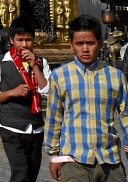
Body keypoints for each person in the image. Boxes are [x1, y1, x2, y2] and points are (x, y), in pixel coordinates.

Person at [45, 15, 128, 181]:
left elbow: (126, 115)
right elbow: (54, 118)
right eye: (79, 44)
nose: (85, 49)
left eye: (90, 43)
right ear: (71, 44)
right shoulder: (60, 76)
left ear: (100, 42)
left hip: (109, 159)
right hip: (74, 160)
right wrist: (53, 156)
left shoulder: (115, 76)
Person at [0, 16, 50, 182]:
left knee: (32, 173)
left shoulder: (41, 62)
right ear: (12, 40)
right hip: (11, 127)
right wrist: (11, 93)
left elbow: (49, 92)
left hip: (35, 128)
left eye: (28, 40)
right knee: (20, 173)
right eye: (20, 40)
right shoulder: (0, 63)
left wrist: (35, 67)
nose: (24, 45)